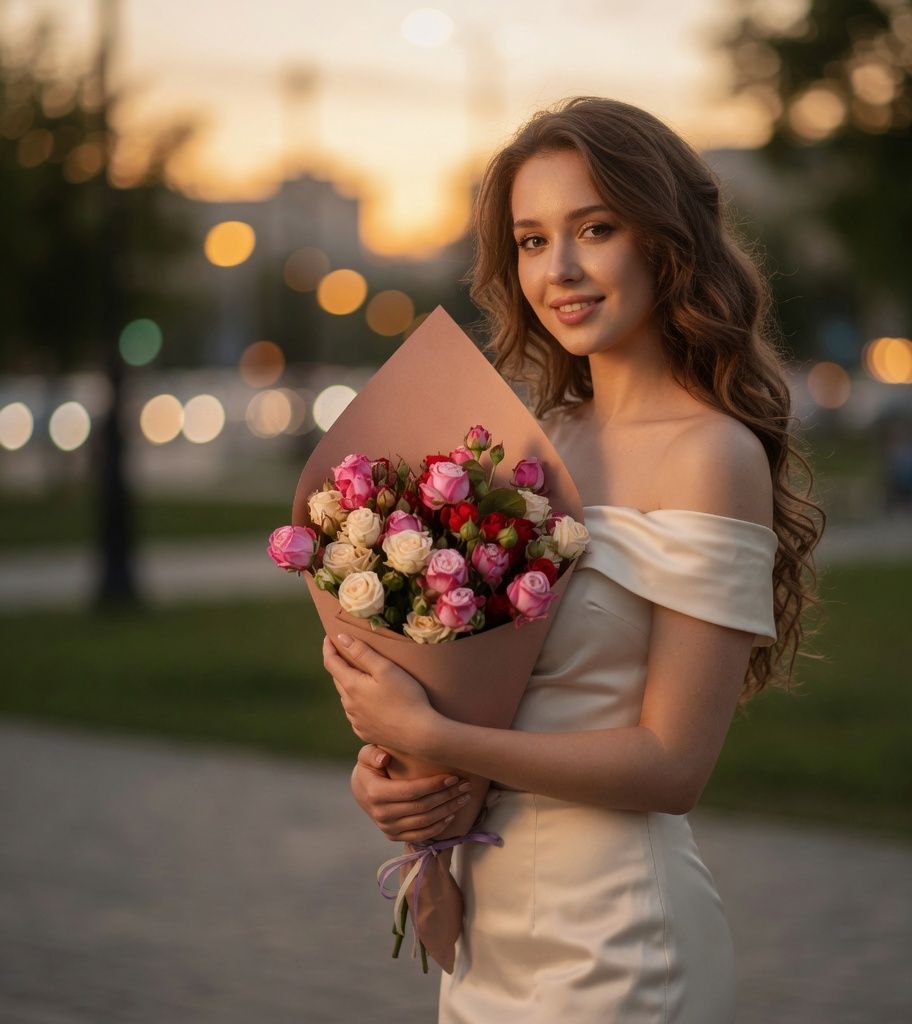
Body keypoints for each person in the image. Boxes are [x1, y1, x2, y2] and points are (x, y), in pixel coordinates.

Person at [323, 95, 822, 1022]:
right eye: (532, 240)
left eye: (595, 229)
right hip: (488, 932)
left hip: (619, 940)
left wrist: (437, 738)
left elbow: (673, 767)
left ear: (666, 241)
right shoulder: (533, 446)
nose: (560, 270)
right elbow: (499, 691)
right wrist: (399, 772)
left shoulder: (712, 455)